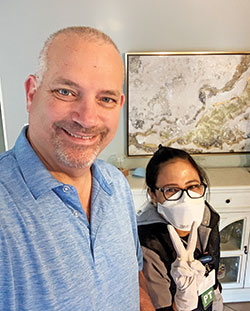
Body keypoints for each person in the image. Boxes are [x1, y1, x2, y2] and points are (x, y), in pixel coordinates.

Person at [0, 26, 154, 311]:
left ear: (119, 105)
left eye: (105, 98)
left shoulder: (115, 185)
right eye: (66, 92)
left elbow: (132, 274)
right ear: (32, 93)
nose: (87, 118)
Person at [137, 145, 223, 311]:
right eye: (171, 190)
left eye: (192, 186)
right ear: (153, 195)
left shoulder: (208, 218)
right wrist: (184, 299)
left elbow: (213, 266)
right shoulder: (148, 244)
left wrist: (215, 296)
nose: (185, 199)